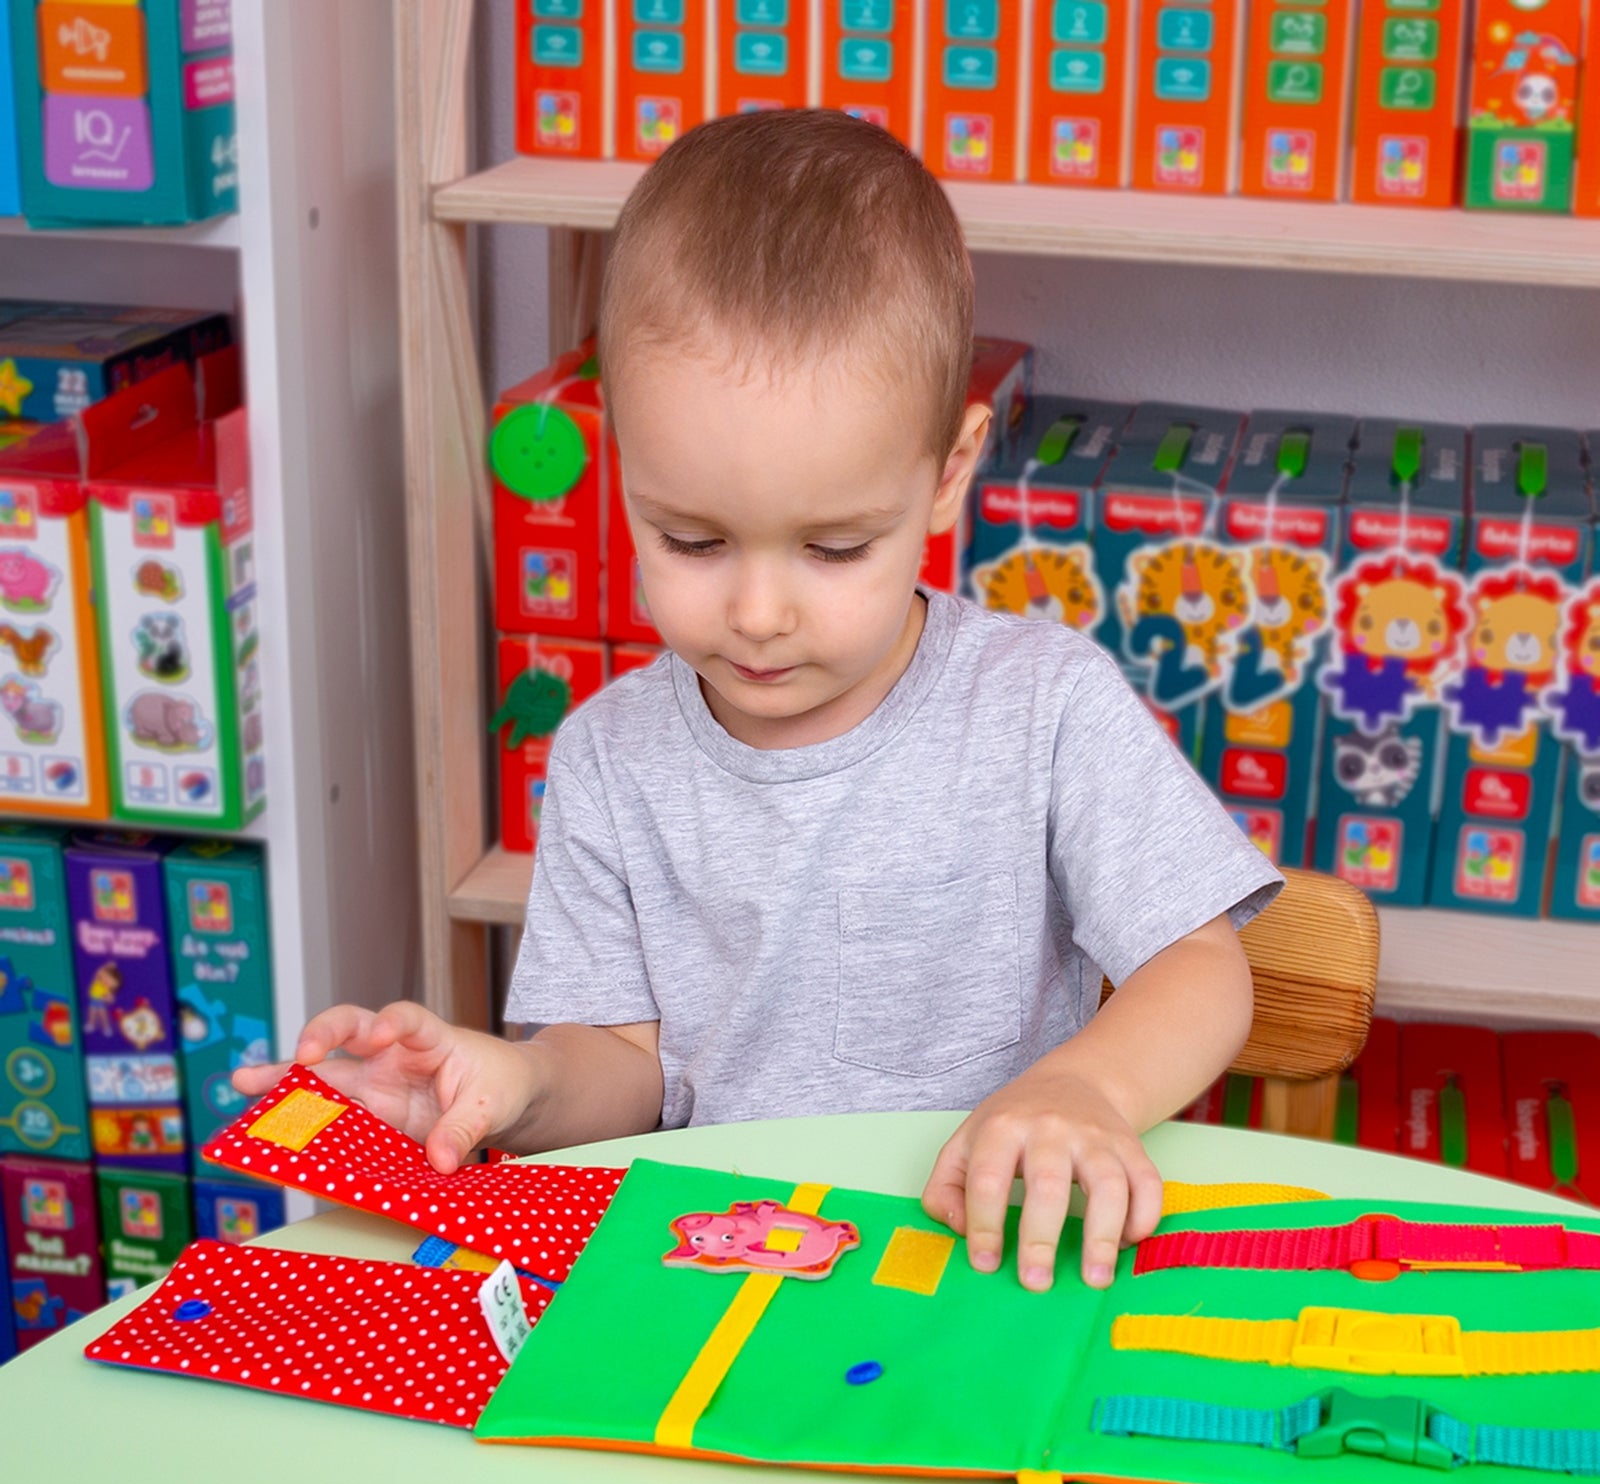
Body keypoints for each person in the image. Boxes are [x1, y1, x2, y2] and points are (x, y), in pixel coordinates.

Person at [237, 110, 1281, 1292]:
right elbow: (624, 1066)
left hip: (984, 1268)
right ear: (624, 463)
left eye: (834, 549)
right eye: (692, 538)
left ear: (948, 471)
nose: (758, 612)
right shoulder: (607, 757)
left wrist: (1084, 1089)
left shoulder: (1040, 707)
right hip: (721, 1281)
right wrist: (514, 1085)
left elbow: (1199, 964)